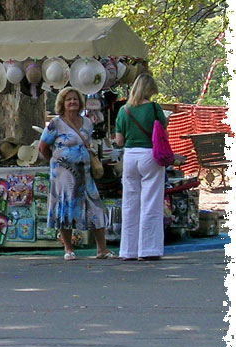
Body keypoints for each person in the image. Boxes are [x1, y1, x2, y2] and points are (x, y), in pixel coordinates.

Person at [37, 86, 113, 261]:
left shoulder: (87, 122)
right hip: (63, 175)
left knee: (95, 207)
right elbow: (43, 147)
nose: (72, 102)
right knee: (66, 208)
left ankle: (102, 249)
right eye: (68, 99)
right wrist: (56, 162)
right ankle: (68, 248)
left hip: (85, 173)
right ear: (62, 103)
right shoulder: (56, 123)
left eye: (75, 99)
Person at [113, 73, 168, 261]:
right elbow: (163, 134)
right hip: (150, 155)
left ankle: (128, 250)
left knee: (130, 203)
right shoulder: (154, 108)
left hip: (129, 157)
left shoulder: (124, 110)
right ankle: (149, 249)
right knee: (150, 202)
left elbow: (119, 141)